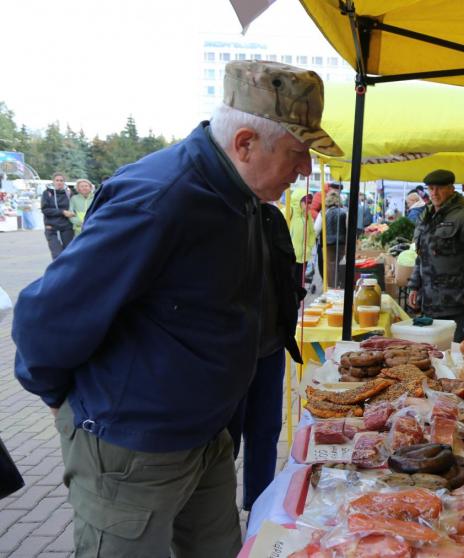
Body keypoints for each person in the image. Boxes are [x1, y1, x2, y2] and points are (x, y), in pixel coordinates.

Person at [13, 60, 340, 556]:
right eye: (297, 153)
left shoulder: (242, 195)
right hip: (133, 449)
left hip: (206, 437)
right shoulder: (161, 200)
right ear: (246, 142)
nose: (305, 170)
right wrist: (69, 406)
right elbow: (44, 318)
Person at [227, 199, 306, 513]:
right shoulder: (216, 212)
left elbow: (287, 273)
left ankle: (258, 509)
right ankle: (215, 516)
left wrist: (292, 301)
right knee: (224, 444)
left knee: (265, 432)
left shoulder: (272, 216)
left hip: (270, 349)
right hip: (227, 358)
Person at [406, 169, 464, 342]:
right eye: (430, 189)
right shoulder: (426, 217)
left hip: (455, 303)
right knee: (432, 352)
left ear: (451, 189)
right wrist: (414, 286)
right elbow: (421, 256)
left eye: (439, 188)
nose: (434, 193)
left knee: (455, 352)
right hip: (428, 302)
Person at [40, 173, 74, 258]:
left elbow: (74, 207)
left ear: (64, 182)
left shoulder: (69, 193)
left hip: (66, 226)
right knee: (57, 253)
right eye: (57, 180)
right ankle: (58, 270)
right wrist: (62, 212)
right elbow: (45, 210)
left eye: (61, 180)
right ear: (53, 182)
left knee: (68, 253)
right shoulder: (47, 193)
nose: (59, 182)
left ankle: (67, 271)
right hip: (51, 226)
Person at [288, 191, 316, 287]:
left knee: (299, 285)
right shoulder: (288, 211)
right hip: (290, 257)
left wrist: (309, 247)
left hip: (303, 257)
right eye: (307, 202)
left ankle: (297, 302)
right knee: (289, 285)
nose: (309, 205)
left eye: (310, 202)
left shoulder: (307, 215)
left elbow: (312, 232)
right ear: (299, 201)